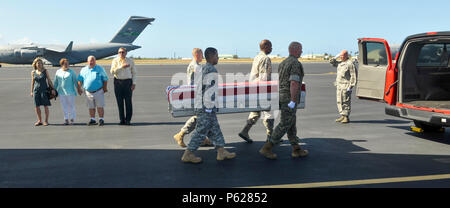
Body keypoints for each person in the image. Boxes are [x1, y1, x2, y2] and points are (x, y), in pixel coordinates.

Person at [181, 47, 236, 164]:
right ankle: (188, 154)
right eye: (217, 55)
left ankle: (221, 151)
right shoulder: (211, 70)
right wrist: (210, 108)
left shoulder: (202, 68)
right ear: (211, 56)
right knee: (201, 131)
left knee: (215, 128)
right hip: (206, 107)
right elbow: (209, 92)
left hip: (201, 104)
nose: (218, 58)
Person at [259, 42, 309, 159]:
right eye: (300, 49)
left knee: (291, 122)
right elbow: (294, 82)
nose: (302, 52)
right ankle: (267, 147)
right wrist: (292, 100)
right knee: (285, 123)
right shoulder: (295, 63)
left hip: (281, 96)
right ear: (295, 50)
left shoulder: (283, 63)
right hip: (289, 98)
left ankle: (296, 148)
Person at [173, 48, 212, 147]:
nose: (203, 56)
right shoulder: (196, 65)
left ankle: (202, 139)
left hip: (195, 94)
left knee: (203, 117)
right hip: (197, 95)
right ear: (197, 55)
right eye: (202, 54)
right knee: (200, 117)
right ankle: (181, 134)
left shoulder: (194, 64)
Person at [238, 39, 274, 143]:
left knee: (255, 112)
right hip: (261, 90)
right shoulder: (265, 58)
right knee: (269, 114)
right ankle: (270, 137)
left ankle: (245, 131)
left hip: (254, 89)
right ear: (266, 46)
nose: (272, 48)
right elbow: (263, 77)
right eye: (270, 46)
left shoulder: (257, 57)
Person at [77, 56, 109, 126]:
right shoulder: (83, 70)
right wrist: (79, 89)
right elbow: (80, 80)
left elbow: (105, 79)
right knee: (91, 107)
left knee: (100, 106)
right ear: (87, 61)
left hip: (98, 91)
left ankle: (101, 119)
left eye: (92, 60)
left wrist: (105, 88)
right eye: (90, 61)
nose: (91, 62)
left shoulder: (100, 69)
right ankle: (93, 120)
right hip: (88, 92)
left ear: (95, 61)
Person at [110, 48, 136, 125]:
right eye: (119, 52)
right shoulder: (115, 61)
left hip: (128, 82)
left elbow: (134, 73)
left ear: (126, 53)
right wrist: (121, 67)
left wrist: (134, 83)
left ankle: (128, 120)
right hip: (118, 82)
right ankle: (122, 120)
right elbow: (112, 71)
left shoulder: (130, 61)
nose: (121, 53)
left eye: (123, 52)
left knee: (128, 102)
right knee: (119, 102)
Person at [30, 58, 56, 126]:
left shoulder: (45, 71)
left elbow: (49, 80)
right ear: (35, 64)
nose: (39, 64)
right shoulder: (33, 72)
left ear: (42, 64)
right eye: (38, 63)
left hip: (44, 90)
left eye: (40, 63)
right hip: (36, 91)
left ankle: (46, 121)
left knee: (45, 106)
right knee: (37, 106)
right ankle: (39, 120)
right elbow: (32, 82)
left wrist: (53, 89)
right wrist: (31, 91)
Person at [54, 58, 79, 125]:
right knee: (64, 106)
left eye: (68, 64)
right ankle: (66, 119)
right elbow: (55, 82)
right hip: (61, 92)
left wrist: (79, 89)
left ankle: (72, 119)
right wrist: (53, 90)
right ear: (62, 64)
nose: (67, 65)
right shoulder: (58, 72)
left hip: (70, 92)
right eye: (65, 64)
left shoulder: (72, 72)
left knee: (71, 106)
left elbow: (75, 81)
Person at [334, 50, 357, 124]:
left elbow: (353, 76)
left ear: (346, 55)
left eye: (342, 55)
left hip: (345, 85)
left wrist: (351, 86)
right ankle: (342, 115)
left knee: (345, 101)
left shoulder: (350, 64)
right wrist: (336, 56)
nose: (341, 57)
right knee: (339, 101)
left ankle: (346, 116)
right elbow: (332, 62)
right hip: (339, 85)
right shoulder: (340, 63)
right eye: (340, 56)